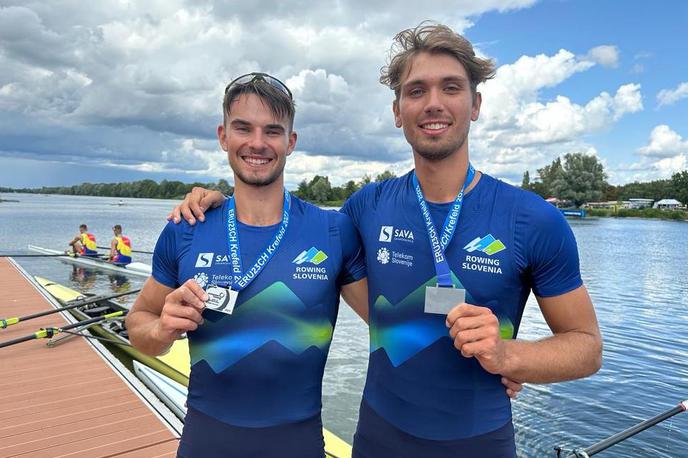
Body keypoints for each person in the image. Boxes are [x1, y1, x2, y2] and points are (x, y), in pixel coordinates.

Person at [169, 23, 602, 458]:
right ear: (398, 111)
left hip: (478, 443)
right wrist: (218, 204)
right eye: (416, 91)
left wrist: (510, 356)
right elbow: (288, 236)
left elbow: (586, 346)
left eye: (450, 87)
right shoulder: (366, 208)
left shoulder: (532, 219)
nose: (433, 103)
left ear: (475, 104)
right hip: (379, 439)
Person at [125, 72, 368, 458]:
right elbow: (138, 326)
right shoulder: (187, 228)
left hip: (297, 444)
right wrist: (162, 328)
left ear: (290, 142)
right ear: (223, 136)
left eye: (272, 131)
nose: (257, 143)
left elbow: (391, 323)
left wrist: (499, 353)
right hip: (206, 442)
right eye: (244, 128)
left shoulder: (332, 229)